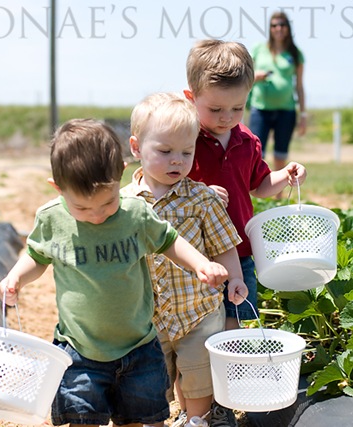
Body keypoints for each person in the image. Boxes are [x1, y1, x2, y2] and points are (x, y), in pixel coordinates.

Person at [0, 118, 230, 427]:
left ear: (121, 173)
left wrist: (201, 264)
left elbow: (169, 241)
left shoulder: (135, 213)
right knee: (82, 418)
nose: (97, 215)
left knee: (139, 417)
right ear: (57, 187)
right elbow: (37, 256)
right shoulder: (52, 219)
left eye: (108, 202)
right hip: (80, 349)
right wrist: (16, 277)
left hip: (139, 346)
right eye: (82, 208)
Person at [183, 38, 307, 427]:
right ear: (191, 98)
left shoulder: (247, 140)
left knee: (233, 326)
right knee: (194, 332)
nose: (227, 117)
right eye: (215, 109)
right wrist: (200, 192)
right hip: (194, 256)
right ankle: (194, 406)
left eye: (237, 108)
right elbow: (167, 186)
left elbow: (259, 185)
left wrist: (285, 176)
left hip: (240, 252)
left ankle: (225, 402)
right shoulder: (184, 141)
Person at [121, 92, 249, 427]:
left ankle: (197, 420)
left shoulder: (202, 199)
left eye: (186, 152)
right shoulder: (124, 204)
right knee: (151, 379)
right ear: (136, 148)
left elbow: (223, 245)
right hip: (146, 316)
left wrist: (235, 278)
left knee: (198, 375)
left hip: (198, 309)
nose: (177, 161)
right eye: (165, 152)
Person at [248, 11, 307, 186]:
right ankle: (257, 190)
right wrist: (256, 75)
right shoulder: (258, 49)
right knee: (257, 153)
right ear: (270, 28)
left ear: (288, 28)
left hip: (286, 110)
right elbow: (244, 75)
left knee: (281, 154)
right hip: (260, 108)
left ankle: (278, 193)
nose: (278, 28)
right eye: (274, 25)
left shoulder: (295, 53)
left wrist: (303, 115)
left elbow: (300, 86)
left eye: (282, 25)